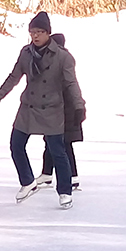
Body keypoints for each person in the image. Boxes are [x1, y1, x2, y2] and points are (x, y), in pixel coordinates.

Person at [0, 13, 83, 207]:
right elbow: (14, 77)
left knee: (58, 150)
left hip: (52, 109)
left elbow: (71, 83)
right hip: (28, 107)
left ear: (48, 33)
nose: (36, 36)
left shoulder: (63, 57)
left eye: (39, 32)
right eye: (32, 32)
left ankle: (65, 191)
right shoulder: (26, 53)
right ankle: (28, 182)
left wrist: (79, 106)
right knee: (16, 144)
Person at [40, 30, 85, 192]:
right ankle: (46, 175)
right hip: (64, 112)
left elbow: (65, 89)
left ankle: (71, 178)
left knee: (63, 146)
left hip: (64, 114)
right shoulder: (59, 59)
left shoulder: (59, 62)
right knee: (53, 144)